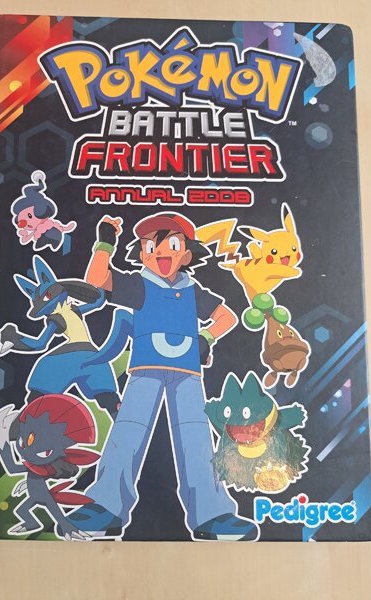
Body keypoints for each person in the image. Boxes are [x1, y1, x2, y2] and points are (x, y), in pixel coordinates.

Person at [68, 212, 260, 541]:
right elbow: (97, 280)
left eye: (171, 245)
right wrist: (105, 243)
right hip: (146, 368)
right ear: (142, 253)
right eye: (150, 246)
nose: (160, 253)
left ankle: (211, 514)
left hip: (187, 372)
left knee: (196, 438)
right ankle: (106, 507)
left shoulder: (192, 290)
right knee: (128, 431)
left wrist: (206, 337)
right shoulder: (140, 285)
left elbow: (227, 317)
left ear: (186, 254)